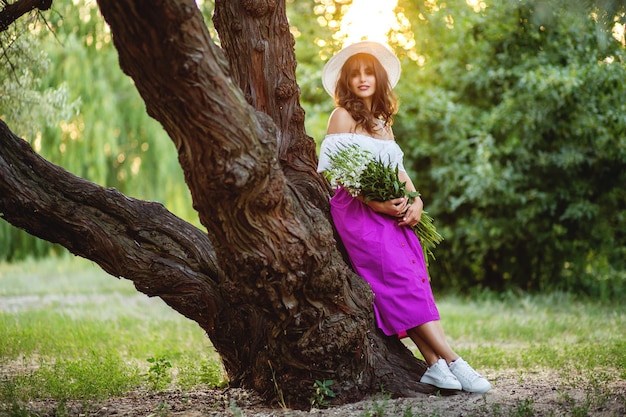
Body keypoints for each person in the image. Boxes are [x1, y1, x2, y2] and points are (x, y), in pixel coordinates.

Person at [316, 41, 491, 394]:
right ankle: (456, 361)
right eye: (355, 75)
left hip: (391, 208)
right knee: (397, 279)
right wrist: (374, 203)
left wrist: (416, 200)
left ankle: (435, 366)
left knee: (411, 279)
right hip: (357, 210)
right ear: (346, 82)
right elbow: (335, 172)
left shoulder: (382, 122)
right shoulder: (342, 116)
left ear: (379, 79)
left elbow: (398, 171)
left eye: (369, 73)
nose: (363, 79)